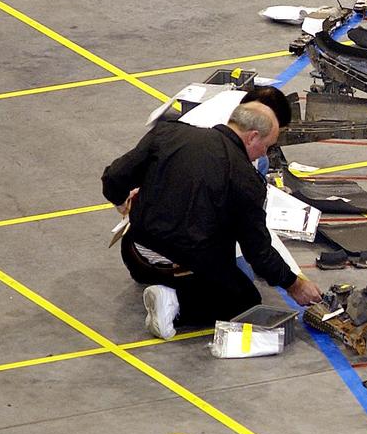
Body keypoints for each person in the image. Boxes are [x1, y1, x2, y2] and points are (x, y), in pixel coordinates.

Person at [102, 102, 322, 339]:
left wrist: (122, 202)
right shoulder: (246, 181)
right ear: (252, 137)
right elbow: (258, 253)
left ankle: (162, 284)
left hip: (136, 255)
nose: (264, 154)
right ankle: (176, 305)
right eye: (266, 146)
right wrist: (295, 285)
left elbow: (113, 177)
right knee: (245, 299)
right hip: (184, 268)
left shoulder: (169, 132)